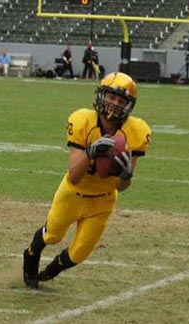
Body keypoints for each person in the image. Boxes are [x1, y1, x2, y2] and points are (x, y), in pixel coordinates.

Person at [23, 72, 151, 289]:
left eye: (121, 101)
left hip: (103, 200)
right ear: (101, 96)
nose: (115, 104)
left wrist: (126, 175)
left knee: (79, 253)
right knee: (53, 235)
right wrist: (90, 152)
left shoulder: (136, 131)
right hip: (73, 193)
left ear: (129, 106)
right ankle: (31, 255)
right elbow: (74, 176)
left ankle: (48, 273)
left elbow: (122, 186)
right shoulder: (82, 120)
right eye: (111, 97)